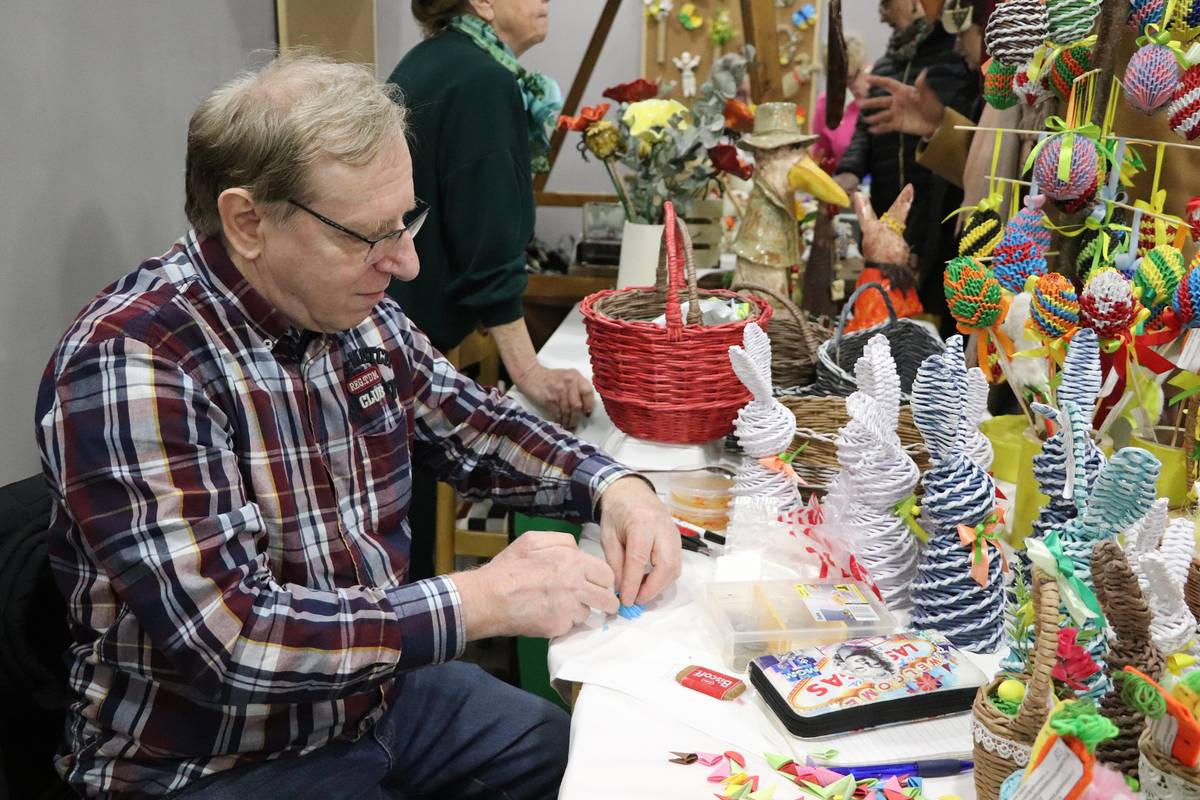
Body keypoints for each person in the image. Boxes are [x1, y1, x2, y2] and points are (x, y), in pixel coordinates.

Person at [34, 54, 681, 800]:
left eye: (407, 221)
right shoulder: (136, 364)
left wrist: (616, 487)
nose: (405, 263)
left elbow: (476, 426)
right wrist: (485, 600)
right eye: (370, 235)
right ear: (248, 221)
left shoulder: (351, 315)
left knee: (568, 757)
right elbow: (236, 643)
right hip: (211, 761)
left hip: (370, 701)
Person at [386, 1, 590, 430]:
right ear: (483, 3)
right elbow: (486, 233)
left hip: (392, 329)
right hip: (413, 347)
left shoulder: (438, 60)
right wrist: (529, 372)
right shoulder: (481, 79)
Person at [834, 0, 979, 326]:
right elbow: (865, 131)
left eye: (886, 4)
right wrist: (849, 170)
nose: (881, 15)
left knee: (930, 304)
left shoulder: (954, 61)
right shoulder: (885, 66)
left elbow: (968, 136)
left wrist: (937, 125)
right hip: (890, 206)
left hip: (938, 211)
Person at [810, 33, 871, 176]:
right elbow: (821, 160)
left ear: (866, 66)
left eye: (851, 78)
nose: (850, 87)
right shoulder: (826, 105)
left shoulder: (885, 93)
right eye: (840, 82)